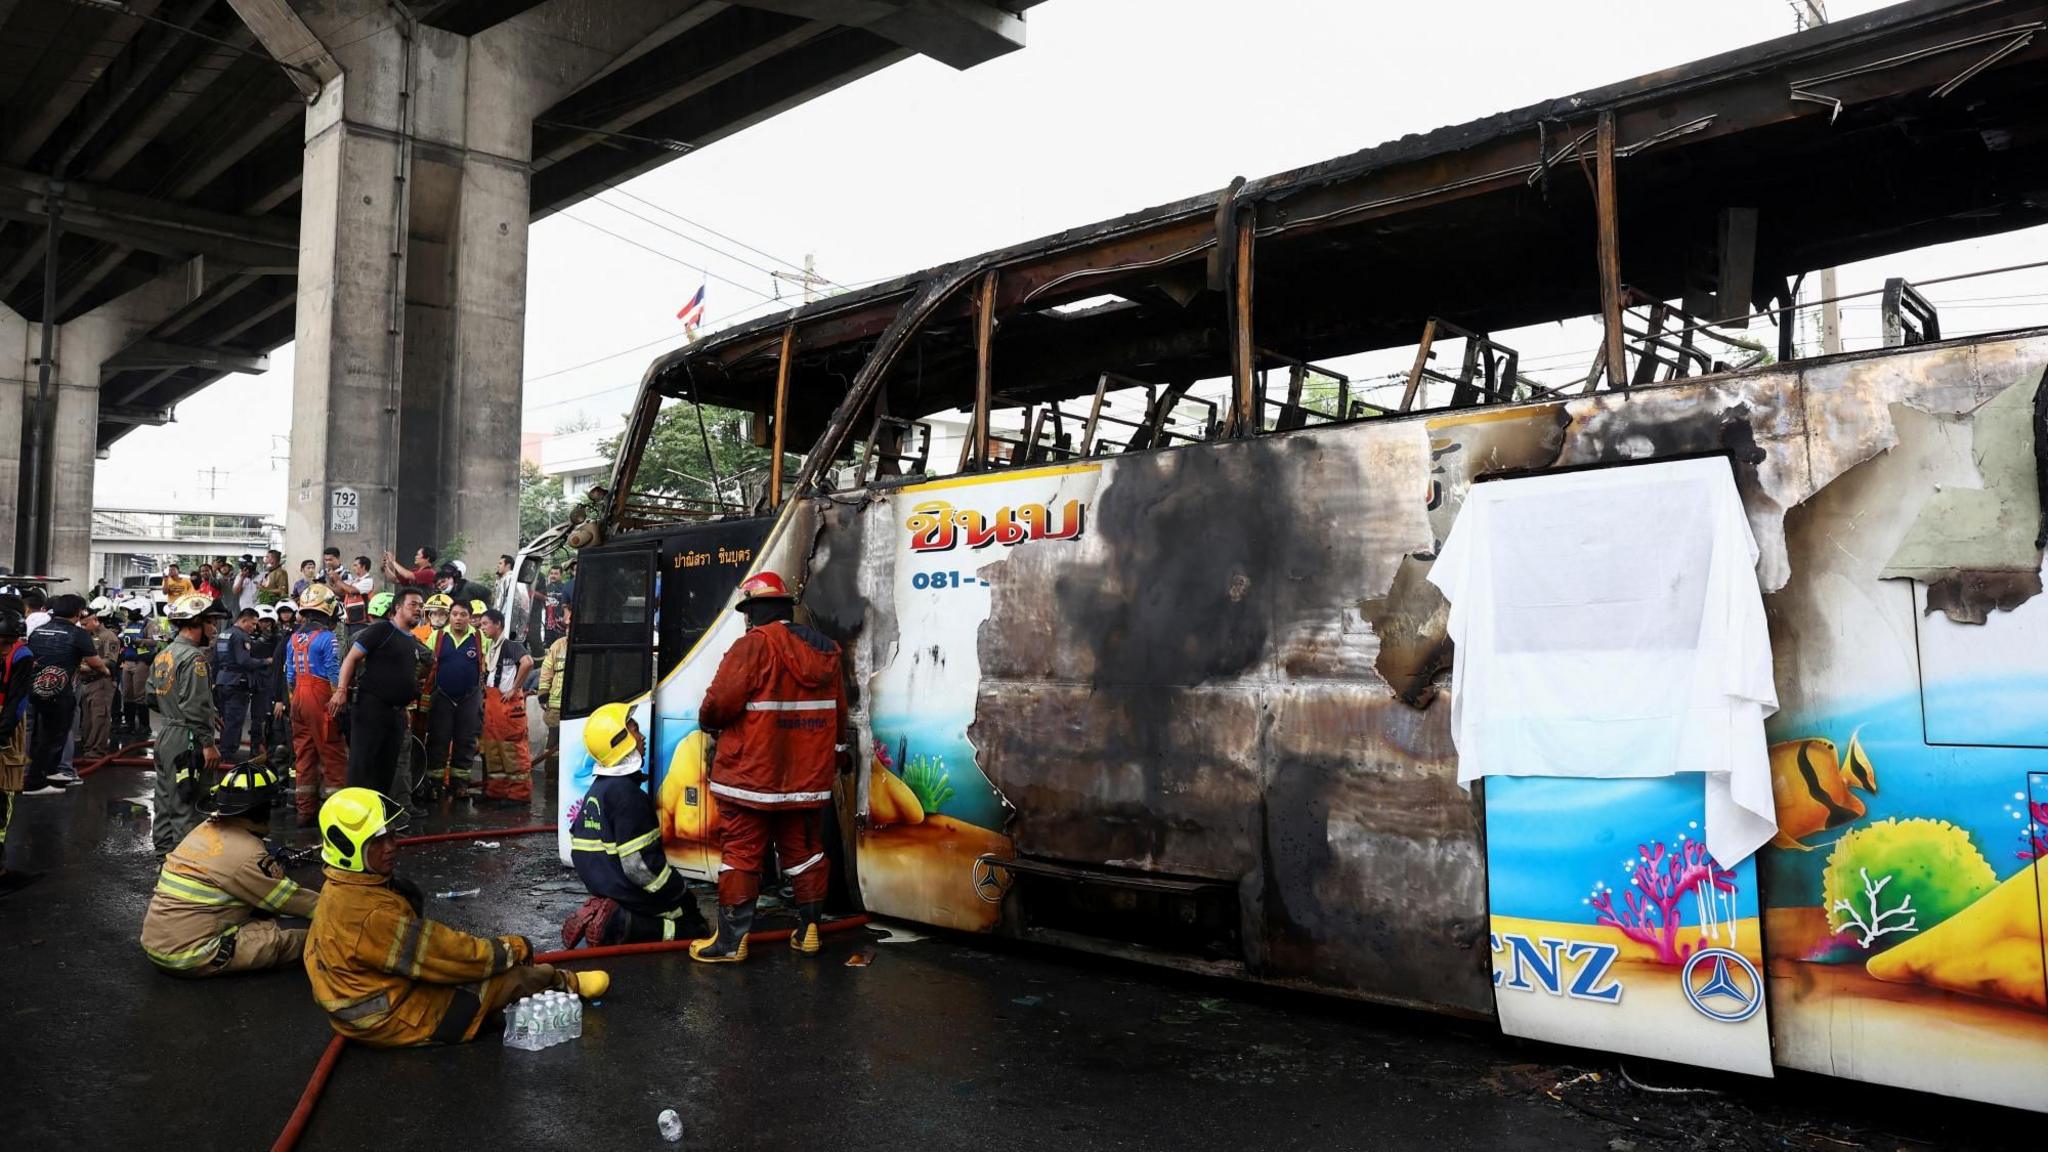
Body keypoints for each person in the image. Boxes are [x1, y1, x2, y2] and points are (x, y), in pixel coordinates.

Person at [304, 787, 608, 1047]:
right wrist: (513, 948)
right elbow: (451, 956)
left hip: (366, 1009)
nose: (392, 846)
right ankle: (567, 983)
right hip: (393, 1019)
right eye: (378, 841)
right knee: (507, 978)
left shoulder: (340, 888)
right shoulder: (372, 914)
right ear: (350, 849)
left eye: (392, 835)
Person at [689, 572, 848, 962]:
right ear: (785, 609)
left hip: (751, 778)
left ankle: (731, 942)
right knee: (805, 851)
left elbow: (717, 704)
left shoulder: (753, 646)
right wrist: (837, 757)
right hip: (806, 780)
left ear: (752, 613)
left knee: (741, 853)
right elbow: (839, 715)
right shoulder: (827, 652)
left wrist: (708, 722)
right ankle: (809, 931)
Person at [139, 761, 319, 976]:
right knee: (311, 933)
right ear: (263, 809)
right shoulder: (248, 853)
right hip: (192, 955)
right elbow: (292, 900)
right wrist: (341, 911)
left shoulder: (204, 830)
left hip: (158, 944)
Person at [562, 703, 709, 947]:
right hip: (630, 893)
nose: (642, 737)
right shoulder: (628, 796)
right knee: (691, 924)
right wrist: (679, 891)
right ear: (621, 742)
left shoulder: (598, 790)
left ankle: (609, 910)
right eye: (635, 730)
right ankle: (620, 924)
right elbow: (639, 867)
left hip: (605, 888)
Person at [149, 594, 230, 857]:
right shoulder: (195, 659)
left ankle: (164, 856)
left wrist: (176, 712)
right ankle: (187, 863)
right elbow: (194, 706)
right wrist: (208, 744)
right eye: (211, 622)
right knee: (189, 799)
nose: (214, 629)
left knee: (165, 797)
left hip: (166, 734)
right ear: (196, 622)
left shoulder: (165, 654)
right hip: (188, 738)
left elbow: (151, 696)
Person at [333, 589, 427, 797]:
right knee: (362, 768)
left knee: (385, 772)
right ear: (397, 607)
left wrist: (405, 709)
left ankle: (376, 820)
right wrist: (341, 690)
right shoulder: (381, 630)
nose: (418, 609)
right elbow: (350, 659)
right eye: (413, 604)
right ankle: (353, 818)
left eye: (421, 606)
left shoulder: (411, 640)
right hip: (371, 710)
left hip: (396, 715)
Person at [23, 594, 109, 794]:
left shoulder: (39, 630)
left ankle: (51, 772)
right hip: (60, 692)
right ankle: (35, 782)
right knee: (55, 734)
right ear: (78, 613)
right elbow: (96, 663)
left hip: (35, 689)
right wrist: (105, 671)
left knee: (40, 732)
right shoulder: (78, 634)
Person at [286, 587, 348, 827]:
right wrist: (337, 697)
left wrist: (294, 700)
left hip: (298, 698)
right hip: (320, 697)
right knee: (332, 753)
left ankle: (305, 811)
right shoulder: (327, 637)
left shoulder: (293, 638)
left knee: (304, 754)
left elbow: (289, 674)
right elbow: (333, 669)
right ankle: (337, 814)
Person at [422, 599, 484, 799]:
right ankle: (434, 784)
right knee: (438, 739)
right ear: (450, 615)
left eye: (463, 614)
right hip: (442, 696)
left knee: (466, 741)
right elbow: (424, 663)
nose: (458, 618)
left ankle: (460, 785)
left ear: (470, 617)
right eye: (455, 614)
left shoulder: (480, 638)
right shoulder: (437, 636)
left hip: (470, 697)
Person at [476, 610, 534, 805]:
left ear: (498, 624)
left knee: (512, 750)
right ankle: (496, 791)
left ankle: (519, 795)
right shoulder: (492, 647)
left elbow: (527, 662)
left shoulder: (510, 645)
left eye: (485, 624)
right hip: (493, 705)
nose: (482, 627)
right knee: (493, 750)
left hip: (507, 705)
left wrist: (515, 688)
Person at [0, 606, 37, 891]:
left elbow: (17, 700)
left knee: (3, 798)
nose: (5, 648)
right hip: (5, 731)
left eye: (9, 642)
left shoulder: (21, 657)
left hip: (6, 729)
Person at [214, 608, 266, 758]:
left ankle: (224, 750)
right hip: (237, 683)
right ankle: (227, 755)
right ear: (244, 620)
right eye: (253, 624)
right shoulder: (241, 636)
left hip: (222, 682)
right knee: (234, 721)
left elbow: (215, 660)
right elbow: (244, 660)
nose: (254, 628)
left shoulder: (223, 634)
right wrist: (265, 661)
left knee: (225, 719)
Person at [75, 604, 122, 760]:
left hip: (101, 681)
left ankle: (97, 751)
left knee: (99, 717)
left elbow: (111, 660)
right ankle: (89, 747)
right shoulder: (85, 636)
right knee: (87, 718)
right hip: (86, 681)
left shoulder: (108, 636)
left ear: (94, 620)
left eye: (85, 624)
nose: (82, 627)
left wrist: (89, 666)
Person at [116, 601, 159, 740]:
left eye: (131, 611)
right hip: (127, 661)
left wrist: (140, 641)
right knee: (127, 694)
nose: (128, 614)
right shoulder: (129, 623)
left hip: (141, 662)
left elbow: (157, 641)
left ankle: (144, 725)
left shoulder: (149, 624)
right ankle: (129, 723)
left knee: (140, 695)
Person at [535, 607, 571, 772]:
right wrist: (543, 694)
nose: (570, 630)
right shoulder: (558, 645)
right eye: (568, 627)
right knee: (553, 743)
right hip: (556, 706)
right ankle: (551, 776)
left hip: (577, 707)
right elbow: (546, 670)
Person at [249, 606, 282, 752]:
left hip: (271, 679)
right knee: (257, 717)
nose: (266, 624)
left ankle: (270, 748)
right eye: (263, 621)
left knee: (270, 716)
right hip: (254, 679)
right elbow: (249, 654)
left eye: (269, 621)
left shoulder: (277, 637)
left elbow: (279, 658)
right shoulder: (250, 637)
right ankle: (255, 747)